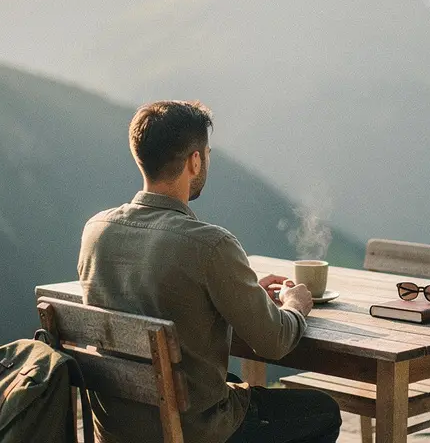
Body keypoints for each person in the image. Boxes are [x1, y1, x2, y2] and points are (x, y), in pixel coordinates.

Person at [78, 100, 341, 443]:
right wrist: (294, 304)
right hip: (194, 431)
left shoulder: (96, 231)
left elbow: (156, 295)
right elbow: (274, 341)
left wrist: (238, 294)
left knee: (228, 379)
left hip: (117, 427)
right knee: (323, 411)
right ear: (195, 160)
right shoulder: (210, 245)